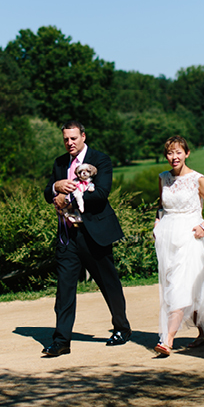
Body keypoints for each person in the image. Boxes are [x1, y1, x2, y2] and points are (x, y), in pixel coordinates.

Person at [42, 121, 131, 356]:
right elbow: (47, 192)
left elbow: (101, 194)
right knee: (64, 289)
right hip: (67, 235)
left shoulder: (100, 160)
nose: (69, 143)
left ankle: (122, 328)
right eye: (66, 139)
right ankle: (61, 341)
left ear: (83, 136)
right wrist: (56, 187)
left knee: (108, 283)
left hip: (94, 233)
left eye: (73, 138)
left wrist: (68, 197)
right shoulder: (60, 163)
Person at [153, 135, 204, 356]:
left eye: (178, 152)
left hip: (190, 236)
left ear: (187, 153)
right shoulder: (163, 178)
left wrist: (203, 225)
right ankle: (203, 331)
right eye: (170, 153)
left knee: (180, 285)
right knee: (180, 285)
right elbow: (161, 206)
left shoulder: (197, 179)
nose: (174, 157)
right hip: (167, 237)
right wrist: (156, 223)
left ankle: (168, 340)